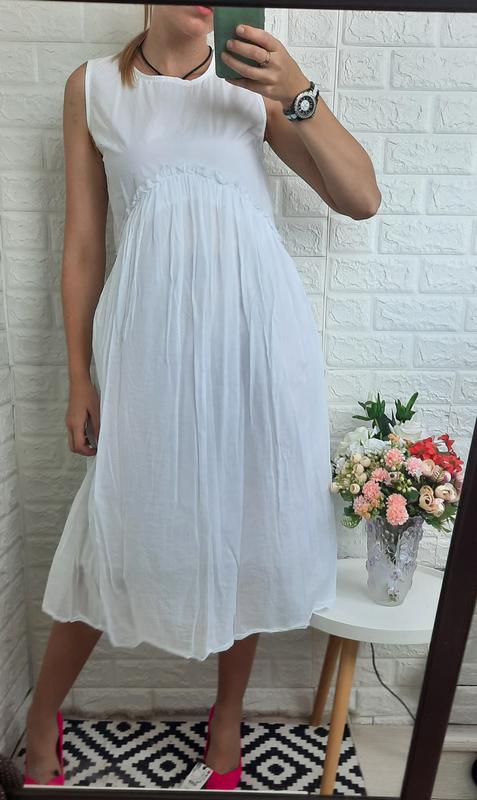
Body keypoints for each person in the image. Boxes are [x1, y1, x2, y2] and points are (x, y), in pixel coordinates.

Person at [23, 2, 381, 789]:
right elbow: (82, 245)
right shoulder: (93, 88)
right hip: (148, 348)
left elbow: (359, 198)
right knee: (112, 528)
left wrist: (298, 92)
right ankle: (43, 712)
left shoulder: (253, 83)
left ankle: (228, 715)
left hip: (257, 345)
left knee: (244, 521)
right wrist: (80, 378)